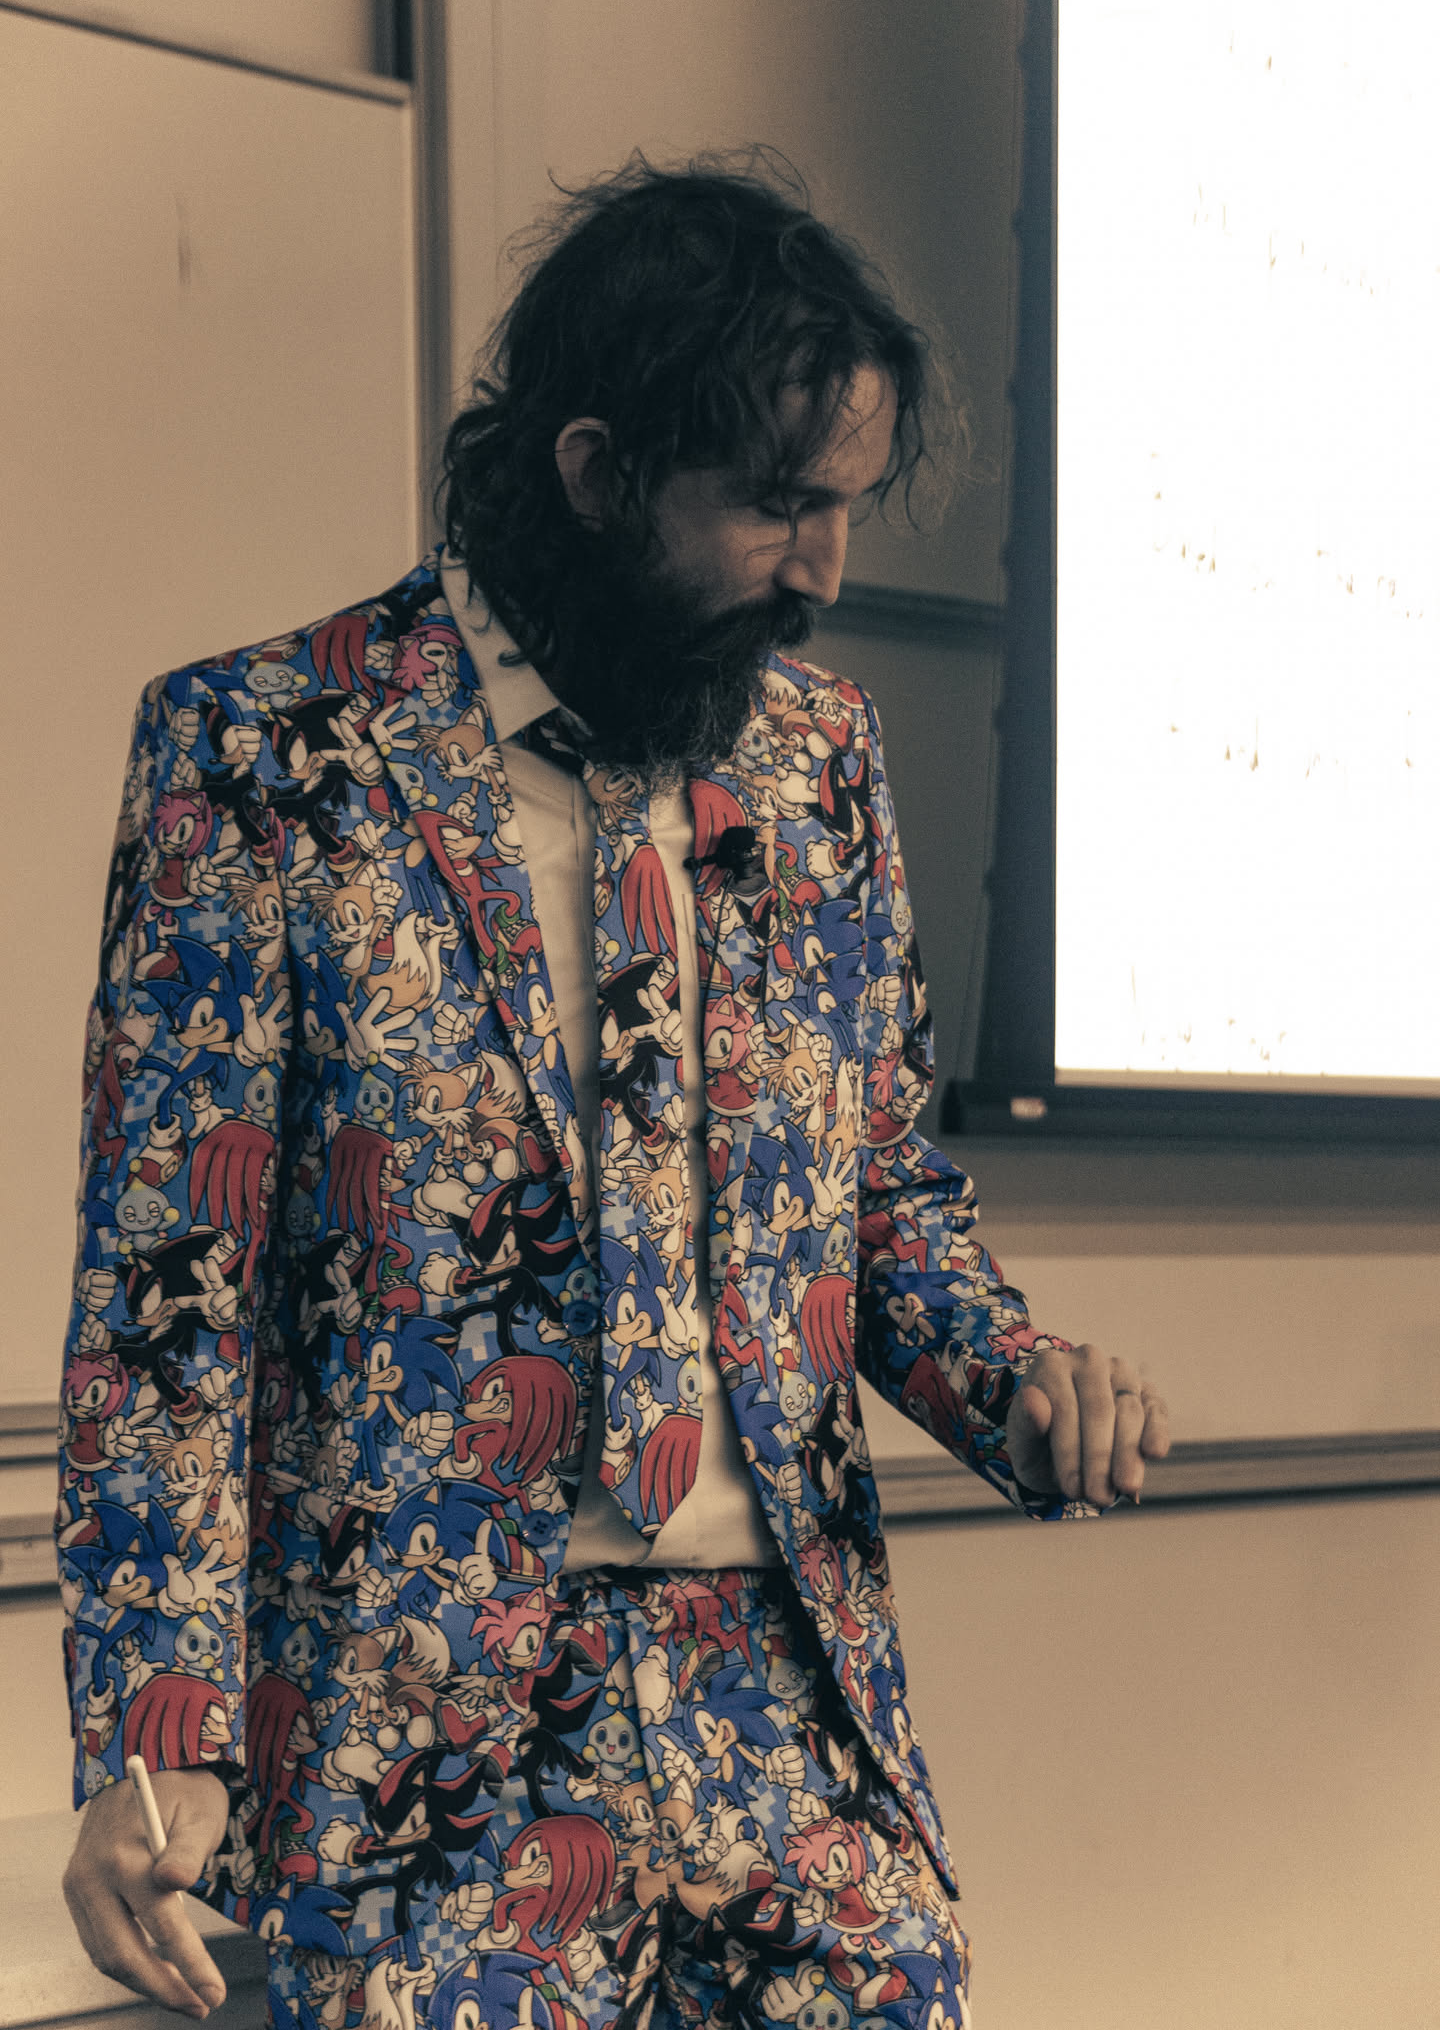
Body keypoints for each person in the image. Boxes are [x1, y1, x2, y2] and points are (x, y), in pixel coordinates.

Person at [57, 153, 1169, 2030]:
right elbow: (173, 1290)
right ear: (593, 473)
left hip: (788, 1722)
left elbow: (876, 1199)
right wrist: (155, 1739)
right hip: (424, 1756)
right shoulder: (260, 754)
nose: (827, 572)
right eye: (778, 505)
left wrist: (1022, 1389)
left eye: (845, 505)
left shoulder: (819, 760)